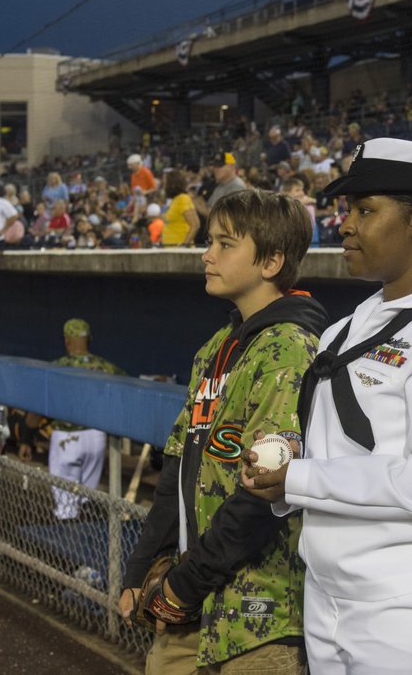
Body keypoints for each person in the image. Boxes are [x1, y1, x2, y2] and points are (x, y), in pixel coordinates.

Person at [243, 138, 412, 674]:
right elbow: (342, 445)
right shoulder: (346, 328)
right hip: (330, 589)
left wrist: (300, 478)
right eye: (347, 210)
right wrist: (294, 456)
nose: (345, 224)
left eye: (365, 210)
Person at [119, 189, 327, 674]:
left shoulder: (291, 349)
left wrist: (183, 585)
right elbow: (175, 472)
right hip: (192, 601)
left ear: (272, 261)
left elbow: (261, 495)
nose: (207, 254)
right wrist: (140, 569)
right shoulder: (216, 346)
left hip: (260, 614)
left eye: (225, 244)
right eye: (209, 240)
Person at [48, 319, 127, 519]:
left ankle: (65, 544)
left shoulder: (57, 367)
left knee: (66, 505)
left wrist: (26, 437)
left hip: (66, 438)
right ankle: (88, 535)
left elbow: (40, 404)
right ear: (89, 339)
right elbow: (127, 390)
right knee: (87, 499)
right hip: (96, 437)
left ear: (67, 341)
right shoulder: (106, 367)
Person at [160, 169, 200, 246]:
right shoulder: (174, 200)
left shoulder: (183, 199)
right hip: (170, 248)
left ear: (172, 183)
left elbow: (195, 224)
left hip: (179, 252)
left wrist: (184, 246)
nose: (163, 184)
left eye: (165, 181)